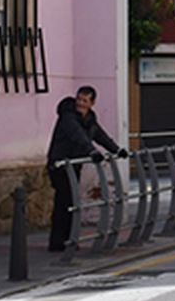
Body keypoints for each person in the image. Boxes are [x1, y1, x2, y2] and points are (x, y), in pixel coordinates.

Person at [45, 85, 125, 253]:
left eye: (85, 101)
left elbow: (100, 135)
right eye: (79, 99)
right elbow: (77, 135)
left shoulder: (90, 119)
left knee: (72, 202)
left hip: (74, 165)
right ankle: (58, 242)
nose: (80, 103)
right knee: (64, 201)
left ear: (92, 103)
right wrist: (91, 151)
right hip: (60, 164)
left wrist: (116, 150)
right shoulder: (68, 117)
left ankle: (69, 239)